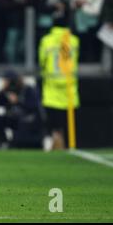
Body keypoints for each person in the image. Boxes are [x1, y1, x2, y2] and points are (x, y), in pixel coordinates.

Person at [39, 19, 80, 150]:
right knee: (68, 125)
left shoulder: (46, 40)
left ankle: (55, 144)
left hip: (51, 89)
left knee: (54, 125)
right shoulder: (74, 40)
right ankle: (67, 145)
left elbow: (42, 61)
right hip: (70, 88)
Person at [0, 70, 45, 149]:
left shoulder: (27, 90)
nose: (4, 82)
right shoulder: (7, 91)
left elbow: (33, 106)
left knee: (20, 124)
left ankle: (17, 143)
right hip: (14, 118)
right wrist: (2, 90)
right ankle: (3, 142)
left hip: (28, 119)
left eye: (6, 81)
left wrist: (18, 101)